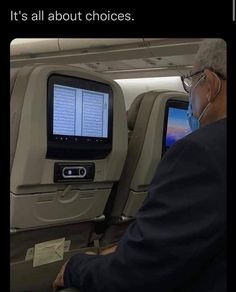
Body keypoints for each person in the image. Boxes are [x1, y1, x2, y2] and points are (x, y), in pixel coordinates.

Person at [53, 39, 227, 292]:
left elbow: (133, 276)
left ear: (210, 83)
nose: (191, 93)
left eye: (192, 82)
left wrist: (74, 268)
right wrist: (133, 247)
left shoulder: (200, 151)